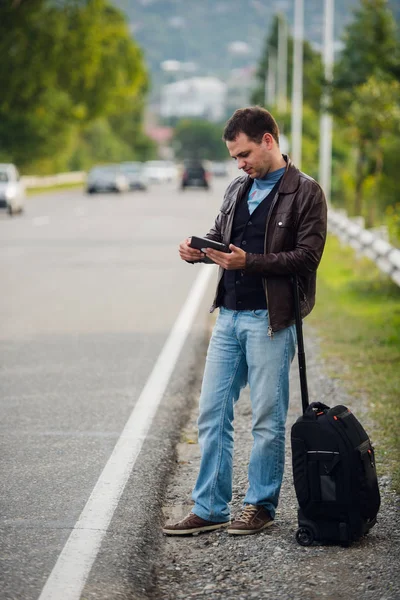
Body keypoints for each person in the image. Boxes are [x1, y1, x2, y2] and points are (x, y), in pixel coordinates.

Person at [163, 106, 327, 536]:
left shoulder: (306, 192)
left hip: (270, 321)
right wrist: (199, 250)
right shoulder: (238, 187)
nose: (240, 163)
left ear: (269, 141)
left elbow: (308, 258)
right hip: (229, 318)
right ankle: (211, 508)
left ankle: (261, 505)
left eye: (245, 154)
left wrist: (249, 261)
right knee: (212, 413)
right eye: (236, 157)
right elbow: (221, 237)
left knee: (267, 419)